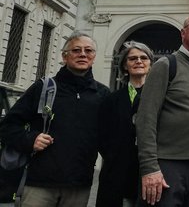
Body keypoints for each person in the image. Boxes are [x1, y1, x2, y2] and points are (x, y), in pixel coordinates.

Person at [0, 32, 110, 206]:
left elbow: (110, 138)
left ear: (94, 57)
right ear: (64, 56)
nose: (83, 54)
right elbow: (7, 126)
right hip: (39, 184)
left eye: (88, 50)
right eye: (76, 50)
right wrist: (30, 139)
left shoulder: (103, 94)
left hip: (79, 186)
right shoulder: (44, 88)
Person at [136, 12, 189, 206]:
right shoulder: (166, 65)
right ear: (183, 33)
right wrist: (149, 168)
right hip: (168, 163)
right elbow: (146, 118)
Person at [97, 41, 155, 207]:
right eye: (132, 58)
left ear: (150, 64)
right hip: (116, 172)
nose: (138, 61)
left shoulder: (160, 98)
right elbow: (102, 136)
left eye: (144, 58)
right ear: (124, 65)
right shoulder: (110, 99)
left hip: (147, 172)